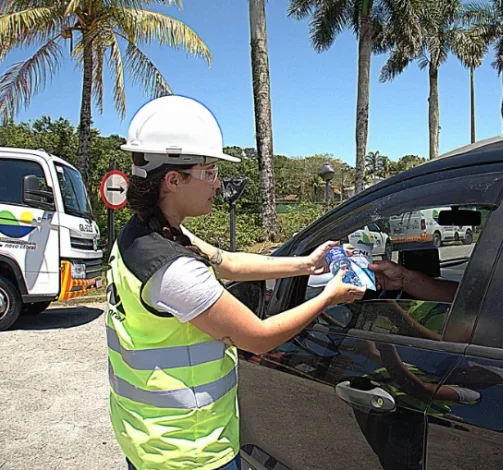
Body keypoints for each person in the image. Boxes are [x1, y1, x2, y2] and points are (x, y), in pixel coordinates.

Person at [105, 95, 365, 470]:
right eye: (208, 172)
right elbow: (258, 336)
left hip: (150, 440)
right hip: (190, 451)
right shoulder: (173, 269)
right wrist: (329, 296)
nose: (217, 183)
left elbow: (228, 263)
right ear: (174, 180)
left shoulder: (146, 234)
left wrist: (307, 265)